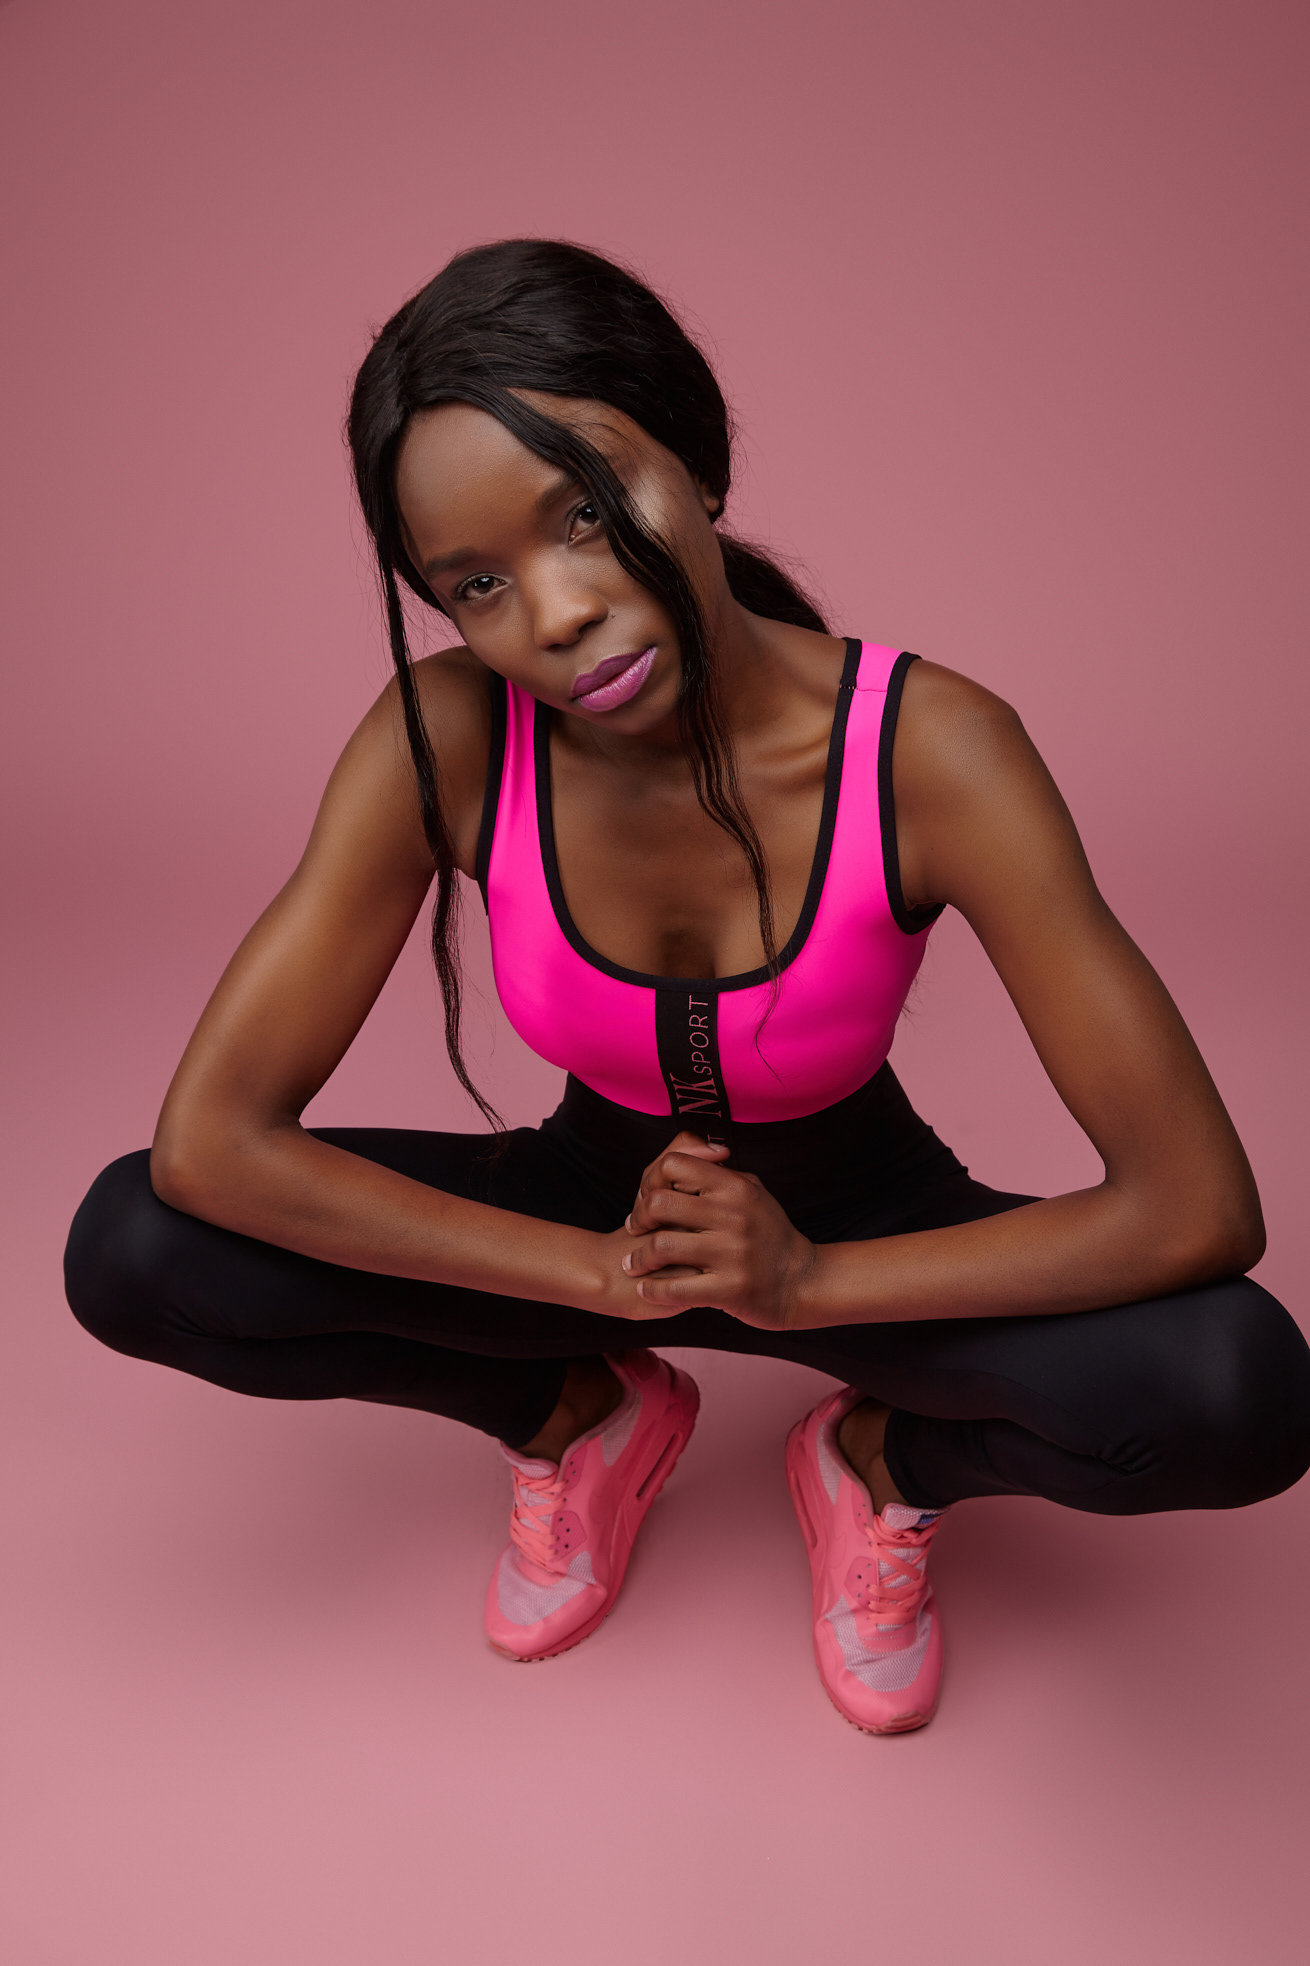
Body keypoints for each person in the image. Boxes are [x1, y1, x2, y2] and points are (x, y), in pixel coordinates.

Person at [64, 239, 1310, 1735]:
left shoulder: (931, 751)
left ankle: (881, 1464)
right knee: (134, 1244)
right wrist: (599, 1278)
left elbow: (1194, 1206)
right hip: (584, 1216)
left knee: (1239, 1387)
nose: (555, 613)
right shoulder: (451, 736)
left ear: (698, 458)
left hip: (859, 1228)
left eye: (585, 513)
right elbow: (213, 1146)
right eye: (479, 583)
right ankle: (582, 1411)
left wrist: (805, 1285)